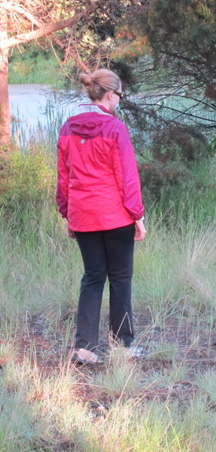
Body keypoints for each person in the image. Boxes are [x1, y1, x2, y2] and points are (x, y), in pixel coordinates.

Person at [56, 69, 147, 365]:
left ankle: (84, 348)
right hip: (115, 215)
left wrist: (68, 213)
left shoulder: (68, 127)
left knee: (93, 277)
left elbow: (63, 176)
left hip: (83, 216)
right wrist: (137, 215)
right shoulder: (115, 128)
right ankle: (122, 345)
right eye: (119, 95)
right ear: (110, 95)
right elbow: (127, 176)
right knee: (120, 277)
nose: (119, 100)